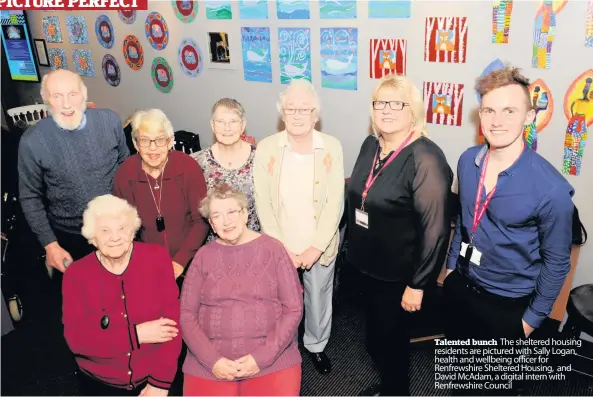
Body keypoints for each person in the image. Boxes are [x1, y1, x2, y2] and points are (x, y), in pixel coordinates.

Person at [444, 66, 574, 393]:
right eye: (489, 109)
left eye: (509, 110)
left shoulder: (552, 190)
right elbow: (463, 219)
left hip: (508, 306)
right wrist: (449, 270)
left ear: (529, 117)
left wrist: (530, 321)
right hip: (462, 287)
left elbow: (558, 263)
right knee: (460, 379)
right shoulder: (467, 160)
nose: (496, 120)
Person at [346, 74, 453, 396]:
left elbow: (435, 230)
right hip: (367, 267)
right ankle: (390, 386)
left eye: (397, 103)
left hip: (399, 276)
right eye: (380, 103)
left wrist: (417, 285)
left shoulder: (425, 157)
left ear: (413, 111)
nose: (387, 110)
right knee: (375, 341)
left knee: (391, 345)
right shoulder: (370, 145)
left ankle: (396, 391)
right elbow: (360, 197)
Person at [253, 79, 345, 375]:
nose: (296, 114)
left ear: (315, 114)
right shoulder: (267, 148)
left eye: (304, 109)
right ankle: (282, 348)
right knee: (280, 302)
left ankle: (316, 346)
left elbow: (335, 203)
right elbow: (263, 201)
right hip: (280, 244)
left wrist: (316, 247)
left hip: (318, 244)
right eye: (290, 108)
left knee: (318, 298)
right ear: (282, 112)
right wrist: (281, 248)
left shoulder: (331, 146)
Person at [180, 184, 303, 396]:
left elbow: (293, 309)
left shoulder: (274, 250)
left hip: (272, 359)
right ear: (211, 223)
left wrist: (261, 357)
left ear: (245, 214)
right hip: (208, 363)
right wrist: (212, 361)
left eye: (232, 212)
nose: (226, 221)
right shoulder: (203, 256)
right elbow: (187, 314)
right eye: (217, 216)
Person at [18, 69, 129, 291]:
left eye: (72, 94)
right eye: (57, 96)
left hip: (117, 228)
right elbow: (30, 197)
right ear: (45, 99)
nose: (67, 104)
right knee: (85, 305)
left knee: (127, 295)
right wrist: (50, 244)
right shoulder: (32, 142)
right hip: (70, 238)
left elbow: (125, 168)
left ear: (84, 95)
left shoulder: (110, 122)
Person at [62, 195, 181, 396]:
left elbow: (173, 327)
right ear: (92, 237)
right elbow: (76, 340)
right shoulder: (77, 274)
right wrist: (136, 335)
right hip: (100, 382)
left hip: (154, 378)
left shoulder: (156, 258)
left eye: (122, 228)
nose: (115, 237)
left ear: (133, 231)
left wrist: (159, 383)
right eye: (105, 231)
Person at [113, 109, 209, 279]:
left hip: (189, 263)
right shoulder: (125, 174)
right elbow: (122, 227)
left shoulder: (188, 167)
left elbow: (200, 221)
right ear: (135, 144)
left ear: (170, 141)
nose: (152, 148)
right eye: (144, 140)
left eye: (159, 140)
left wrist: (180, 261)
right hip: (145, 263)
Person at [193, 98, 259, 242]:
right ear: (212, 125)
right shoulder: (198, 163)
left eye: (233, 122)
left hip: (254, 244)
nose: (227, 128)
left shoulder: (260, 158)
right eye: (221, 122)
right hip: (215, 247)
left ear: (243, 126)